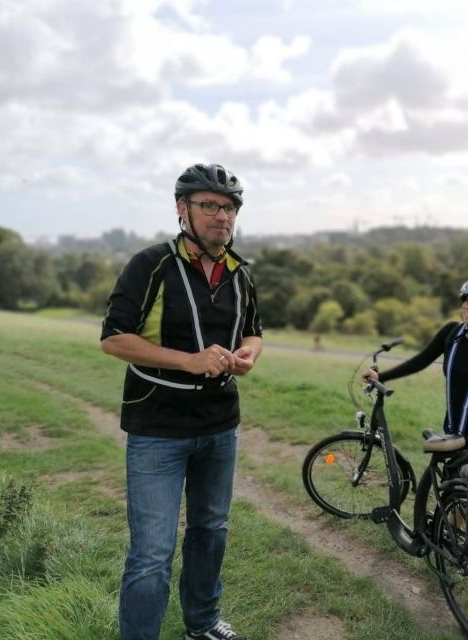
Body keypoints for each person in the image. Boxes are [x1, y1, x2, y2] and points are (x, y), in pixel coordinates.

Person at [100, 163, 262, 640]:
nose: (221, 216)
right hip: (157, 427)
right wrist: (190, 361)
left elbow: (254, 331)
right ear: (182, 209)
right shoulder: (151, 264)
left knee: (211, 531)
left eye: (229, 207)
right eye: (209, 205)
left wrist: (248, 354)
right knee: (151, 552)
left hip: (220, 424)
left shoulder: (239, 273)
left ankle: (203, 624)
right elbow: (113, 339)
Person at [363, 274, 468, 463]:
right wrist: (381, 376)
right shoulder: (451, 332)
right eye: (467, 300)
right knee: (449, 486)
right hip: (457, 427)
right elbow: (421, 361)